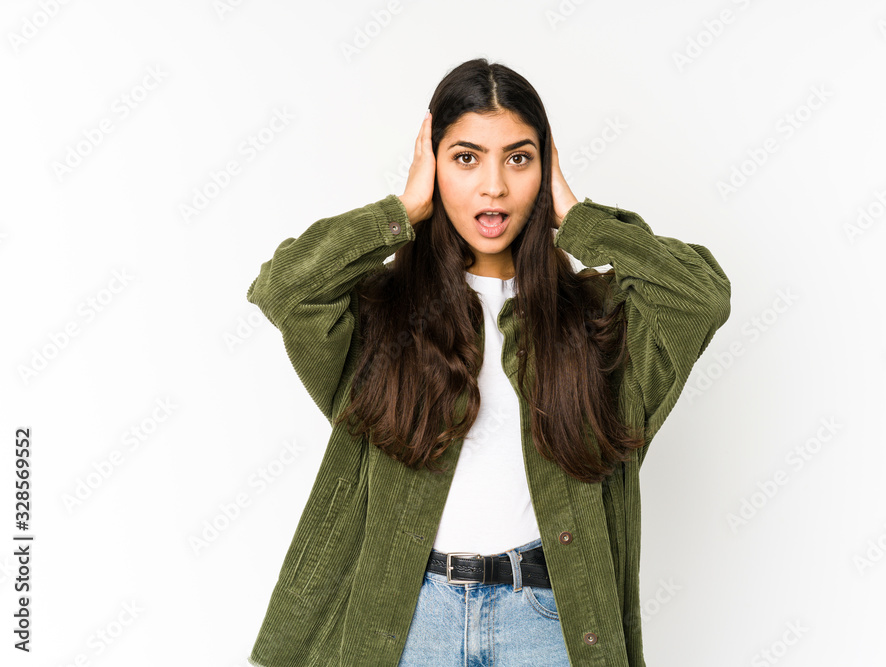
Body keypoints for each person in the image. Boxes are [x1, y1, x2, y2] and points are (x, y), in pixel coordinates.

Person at [246, 58, 732, 667]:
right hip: (406, 619)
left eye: (519, 158)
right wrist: (400, 211)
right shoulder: (379, 317)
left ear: (546, 169)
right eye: (466, 158)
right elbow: (286, 290)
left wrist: (579, 220)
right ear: (433, 166)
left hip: (547, 623)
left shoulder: (597, 323)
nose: (494, 186)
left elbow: (701, 297)